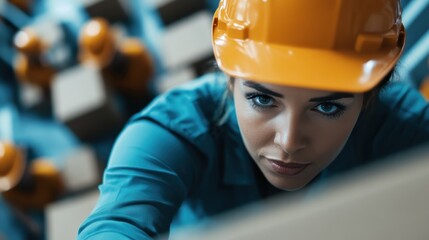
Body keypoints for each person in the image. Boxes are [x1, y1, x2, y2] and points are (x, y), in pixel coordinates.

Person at [78, 0, 429, 239]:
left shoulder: (406, 127)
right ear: (229, 80)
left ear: (371, 95)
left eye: (326, 108)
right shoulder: (174, 130)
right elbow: (117, 221)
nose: (289, 142)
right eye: (262, 99)